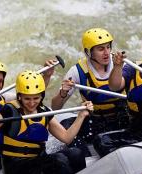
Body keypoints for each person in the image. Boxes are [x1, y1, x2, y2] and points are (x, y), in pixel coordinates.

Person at [0, 70, 92, 174]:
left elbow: (66, 137)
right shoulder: (8, 111)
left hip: (38, 162)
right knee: (60, 161)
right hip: (16, 172)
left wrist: (81, 115)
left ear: (42, 96)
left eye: (36, 98)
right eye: (27, 99)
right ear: (19, 96)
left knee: (76, 153)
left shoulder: (44, 111)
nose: (32, 103)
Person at [51, 28, 129, 157]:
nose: (106, 53)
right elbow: (55, 107)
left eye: (108, 47)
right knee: (65, 126)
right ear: (88, 52)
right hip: (96, 121)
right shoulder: (76, 71)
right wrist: (63, 93)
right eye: (100, 49)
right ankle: (86, 160)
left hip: (121, 118)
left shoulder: (121, 65)